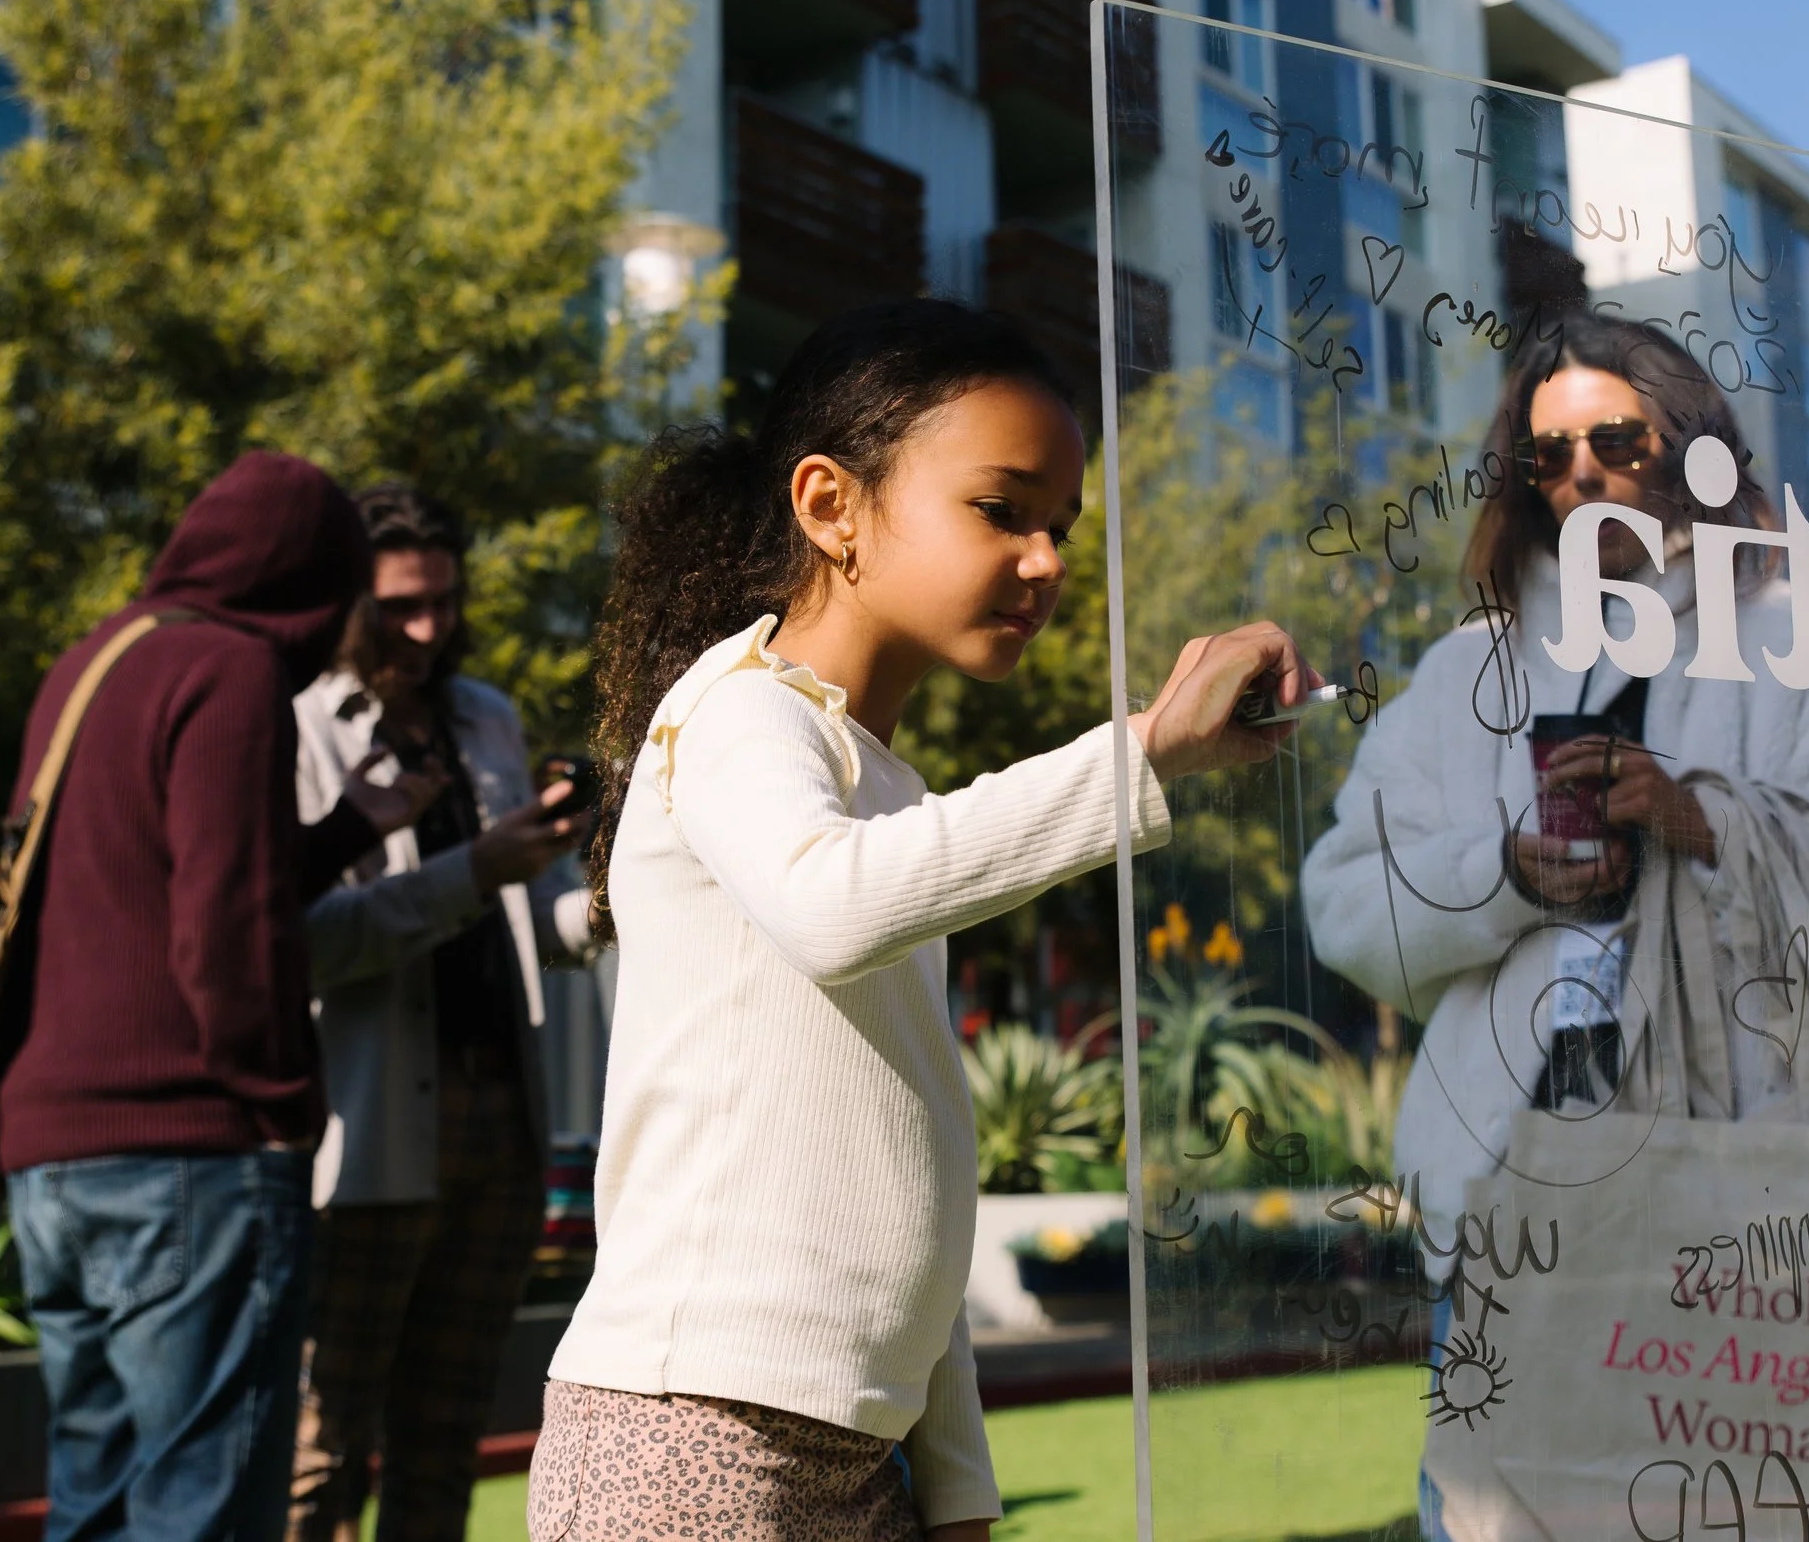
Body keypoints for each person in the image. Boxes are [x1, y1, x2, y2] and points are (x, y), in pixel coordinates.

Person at [528, 301, 1311, 1540]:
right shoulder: (737, 710)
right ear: (829, 505)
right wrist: (1142, 750)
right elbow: (832, 908)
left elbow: (906, 1155)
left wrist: (955, 1483)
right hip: (687, 1431)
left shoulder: (889, 794)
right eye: (1002, 509)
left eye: (1059, 527)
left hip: (851, 1447)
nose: (1046, 561)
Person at [1300, 311, 1809, 1541]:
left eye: (1614, 439)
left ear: (1690, 442)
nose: (1581, 474)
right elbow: (1345, 900)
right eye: (1546, 455)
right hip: (1513, 1211)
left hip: (1740, 1210)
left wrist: (1705, 820)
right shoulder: (1463, 675)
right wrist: (1503, 875)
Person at [0, 451, 421, 1542]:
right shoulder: (229, 670)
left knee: (90, 1508)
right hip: (187, 1154)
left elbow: (134, 881)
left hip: (52, 1158)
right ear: (314, 584)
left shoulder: (90, 662)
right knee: (203, 1516)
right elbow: (227, 925)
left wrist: (345, 829)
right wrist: (283, 1107)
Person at [285, 485, 595, 1542]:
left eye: (444, 603)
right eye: (400, 608)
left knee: (446, 1435)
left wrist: (611, 897)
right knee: (325, 1443)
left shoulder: (486, 718)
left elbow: (531, 919)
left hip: (502, 1119)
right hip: (371, 1128)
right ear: (349, 604)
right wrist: (474, 871)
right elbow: (304, 937)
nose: (427, 629)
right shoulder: (302, 726)